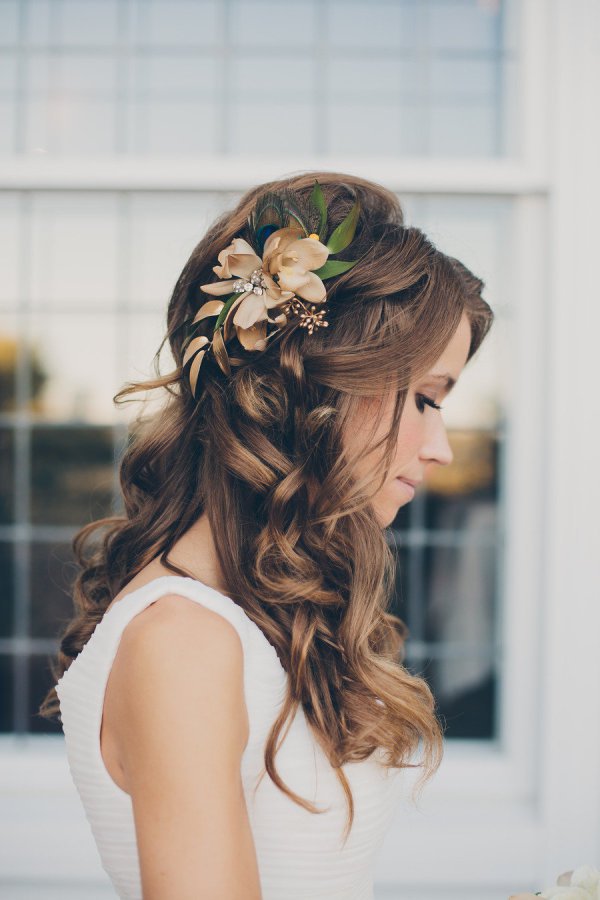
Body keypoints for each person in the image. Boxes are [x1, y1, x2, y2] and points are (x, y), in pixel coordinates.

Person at [40, 171, 494, 900]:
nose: (440, 446)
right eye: (425, 399)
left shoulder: (259, 619)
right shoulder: (182, 641)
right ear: (319, 388)